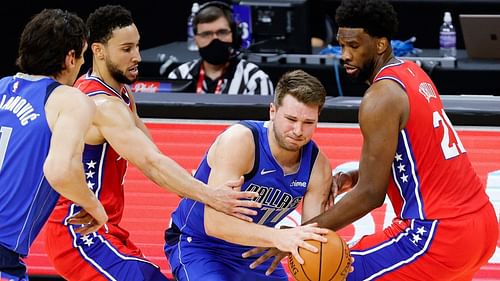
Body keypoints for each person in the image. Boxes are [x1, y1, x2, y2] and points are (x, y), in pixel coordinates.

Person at [244, 0, 499, 280]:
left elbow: (371, 195)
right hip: (482, 225)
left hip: (439, 233)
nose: (344, 55)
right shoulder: (413, 72)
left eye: (354, 46)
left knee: (333, 271)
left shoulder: (380, 97)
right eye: (341, 45)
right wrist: (353, 176)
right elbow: (416, 159)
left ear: (380, 44)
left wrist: (300, 235)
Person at [45, 5, 260, 281]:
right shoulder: (101, 105)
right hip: (78, 233)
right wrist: (213, 197)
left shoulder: (121, 93)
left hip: (106, 228)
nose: (136, 57)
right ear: (98, 51)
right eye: (126, 49)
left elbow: (154, 153)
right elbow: (151, 164)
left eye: (137, 46)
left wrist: (201, 189)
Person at [164, 69, 335, 281]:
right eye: (291, 119)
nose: (298, 130)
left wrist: (331, 261)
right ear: (272, 111)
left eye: (308, 122)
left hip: (254, 252)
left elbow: (311, 238)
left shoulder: (318, 166)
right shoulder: (241, 141)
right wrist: (278, 237)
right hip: (199, 243)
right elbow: (216, 224)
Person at [0, 9, 108, 280]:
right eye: (82, 56)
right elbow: (60, 170)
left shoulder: (1, 86)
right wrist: (93, 206)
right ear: (71, 58)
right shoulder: (69, 99)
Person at [168, 1, 274, 95]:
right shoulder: (178, 76)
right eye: (206, 34)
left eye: (222, 32)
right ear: (196, 40)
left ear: (235, 36)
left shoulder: (255, 79)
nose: (215, 39)